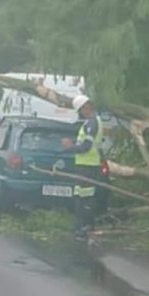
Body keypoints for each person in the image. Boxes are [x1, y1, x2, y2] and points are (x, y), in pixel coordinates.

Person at [61, 94, 104, 241]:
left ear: (86, 107)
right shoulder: (89, 123)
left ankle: (86, 228)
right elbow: (82, 143)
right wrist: (72, 145)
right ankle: (81, 227)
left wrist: (71, 147)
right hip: (84, 165)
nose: (81, 113)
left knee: (86, 198)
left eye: (81, 110)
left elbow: (86, 147)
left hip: (88, 166)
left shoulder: (92, 123)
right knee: (80, 196)